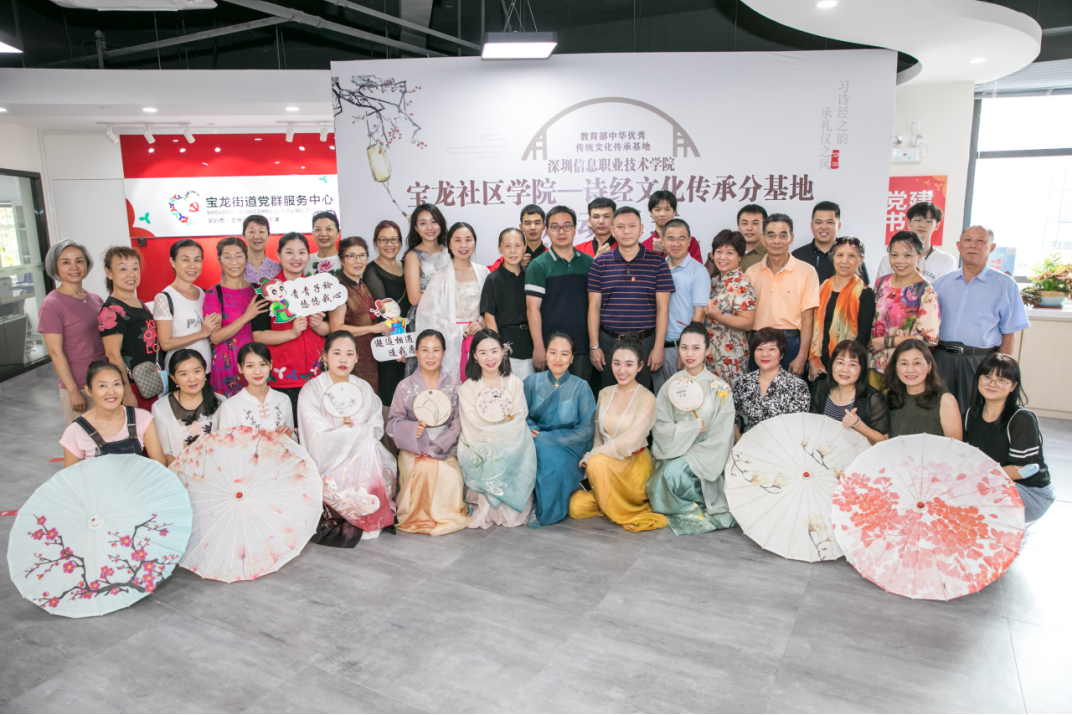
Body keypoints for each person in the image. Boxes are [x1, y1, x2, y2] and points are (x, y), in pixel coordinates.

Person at [298, 331, 397, 537]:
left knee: (385, 464)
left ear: (357, 358)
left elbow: (376, 425)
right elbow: (315, 433)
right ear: (324, 356)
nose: (343, 359)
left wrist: (357, 432)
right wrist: (345, 433)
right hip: (329, 458)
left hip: (363, 453)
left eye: (349, 354)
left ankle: (370, 510)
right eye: (337, 353)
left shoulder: (363, 388)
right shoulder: (312, 389)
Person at [568, 336, 667, 532]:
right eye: (617, 363)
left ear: (640, 366)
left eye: (629, 365)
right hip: (605, 465)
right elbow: (598, 439)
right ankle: (607, 501)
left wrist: (593, 456)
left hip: (634, 466)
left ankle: (618, 506)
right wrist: (591, 471)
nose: (622, 370)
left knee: (597, 462)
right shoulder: (604, 393)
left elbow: (631, 441)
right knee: (576, 507)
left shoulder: (646, 397)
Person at [647, 322, 736, 535]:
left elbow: (722, 437)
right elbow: (661, 426)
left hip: (706, 457)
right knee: (656, 484)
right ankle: (688, 504)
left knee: (671, 475)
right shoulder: (671, 385)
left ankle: (699, 500)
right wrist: (691, 429)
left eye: (696, 348)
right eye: (684, 347)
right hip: (674, 451)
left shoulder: (720, 388)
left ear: (707, 350)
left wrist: (692, 450)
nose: (689, 353)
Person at [932, 225, 1030, 411]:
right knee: (938, 411)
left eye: (980, 241)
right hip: (941, 359)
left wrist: (1001, 371)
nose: (973, 245)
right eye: (968, 240)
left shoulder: (1005, 285)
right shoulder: (941, 283)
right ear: (959, 245)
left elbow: (1009, 334)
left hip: (980, 361)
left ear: (991, 247)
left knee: (975, 412)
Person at [386, 329, 471, 535]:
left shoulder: (454, 384)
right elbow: (393, 422)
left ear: (444, 352)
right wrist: (412, 430)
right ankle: (416, 517)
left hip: (446, 445)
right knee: (422, 467)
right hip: (414, 445)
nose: (430, 356)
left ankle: (445, 515)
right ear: (416, 352)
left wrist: (441, 442)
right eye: (424, 350)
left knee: (448, 473)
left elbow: (459, 420)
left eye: (436, 350)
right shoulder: (404, 386)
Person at [588, 206, 675, 390]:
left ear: (641, 229)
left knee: (641, 397)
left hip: (645, 343)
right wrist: (594, 346)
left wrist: (658, 348)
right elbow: (593, 307)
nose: (626, 231)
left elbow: (663, 308)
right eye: (620, 227)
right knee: (609, 395)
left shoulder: (658, 263)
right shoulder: (599, 263)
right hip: (609, 342)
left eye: (632, 226)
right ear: (612, 230)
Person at [458, 329, 537, 528]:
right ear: (474, 356)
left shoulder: (514, 383)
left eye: (494, 351)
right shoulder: (467, 388)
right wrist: (496, 434)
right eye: (483, 352)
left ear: (503, 351)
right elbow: (471, 423)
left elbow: (519, 416)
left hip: (511, 440)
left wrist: (505, 435)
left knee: (514, 448)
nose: (490, 358)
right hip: (480, 440)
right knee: (488, 453)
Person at [963, 354, 1054, 526]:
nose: (992, 383)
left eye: (1001, 379)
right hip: (990, 482)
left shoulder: (1022, 419)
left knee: (970, 497)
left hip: (1031, 492)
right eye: (987, 377)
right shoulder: (970, 415)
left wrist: (978, 478)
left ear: (1013, 386)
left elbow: (1025, 469)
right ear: (978, 379)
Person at [250, 232, 329, 421]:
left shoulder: (317, 288)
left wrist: (318, 326)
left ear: (308, 255)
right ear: (279, 255)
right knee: (286, 429)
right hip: (283, 377)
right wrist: (292, 333)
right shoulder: (267, 292)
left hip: (316, 375)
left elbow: (329, 329)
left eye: (301, 252)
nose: (296, 258)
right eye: (289, 252)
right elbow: (259, 335)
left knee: (316, 427)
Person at [523, 332, 597, 527]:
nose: (558, 359)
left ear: (572, 358)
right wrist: (529, 427)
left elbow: (586, 431)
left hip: (570, 448)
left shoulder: (581, 387)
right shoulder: (531, 382)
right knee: (537, 450)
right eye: (552, 352)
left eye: (564, 354)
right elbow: (519, 414)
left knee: (548, 455)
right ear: (545, 354)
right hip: (535, 441)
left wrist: (547, 440)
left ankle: (547, 510)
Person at [39, 240, 107, 425]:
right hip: (80, 385)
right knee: (85, 439)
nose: (74, 267)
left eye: (79, 261)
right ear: (55, 266)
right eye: (66, 262)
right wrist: (73, 390)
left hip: (105, 381)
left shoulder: (96, 299)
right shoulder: (52, 304)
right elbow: (55, 352)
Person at [744, 214, 820, 375]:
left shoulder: (807, 271)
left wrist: (802, 356)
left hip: (791, 343)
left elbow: (808, 318)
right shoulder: (751, 272)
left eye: (783, 235)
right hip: (758, 342)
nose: (776, 241)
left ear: (791, 238)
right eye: (771, 235)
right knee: (758, 390)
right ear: (763, 238)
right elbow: (747, 316)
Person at [526, 205, 594, 381]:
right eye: (555, 227)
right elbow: (532, 309)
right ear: (547, 231)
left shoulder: (589, 263)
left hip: (582, 347)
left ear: (575, 229)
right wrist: (539, 346)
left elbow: (595, 306)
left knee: (581, 395)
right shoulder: (538, 265)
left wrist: (594, 346)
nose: (561, 231)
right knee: (550, 396)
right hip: (551, 349)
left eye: (567, 226)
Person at [415, 222, 489, 380]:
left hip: (479, 340)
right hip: (452, 341)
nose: (463, 245)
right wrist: (454, 329)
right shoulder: (441, 275)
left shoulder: (484, 272)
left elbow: (493, 308)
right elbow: (425, 313)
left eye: (468, 240)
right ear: (449, 244)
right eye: (457, 240)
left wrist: (483, 323)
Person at [869, 231, 941, 391]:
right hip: (875, 365)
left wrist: (885, 342)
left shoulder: (925, 291)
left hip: (906, 371)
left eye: (907, 255)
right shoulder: (882, 282)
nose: (900, 261)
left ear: (919, 255)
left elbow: (929, 338)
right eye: (894, 255)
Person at [60, 360, 165, 467]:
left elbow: (159, 466)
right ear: (89, 390)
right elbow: (71, 475)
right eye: (102, 386)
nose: (111, 392)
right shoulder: (76, 431)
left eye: (116, 384)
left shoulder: (142, 418)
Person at [98, 246, 161, 410]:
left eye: (135, 268)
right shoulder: (111, 311)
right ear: (109, 273)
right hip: (132, 385)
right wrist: (126, 392)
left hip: (147, 380)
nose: (131, 274)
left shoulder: (138, 303)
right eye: (123, 269)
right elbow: (113, 355)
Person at [204, 237, 267, 397]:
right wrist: (246, 316)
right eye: (227, 257)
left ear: (246, 258)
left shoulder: (257, 290)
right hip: (227, 363)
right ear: (220, 260)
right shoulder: (214, 293)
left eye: (239, 256)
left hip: (256, 362)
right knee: (229, 409)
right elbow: (215, 337)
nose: (233, 262)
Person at [653, 218, 709, 395]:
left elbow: (699, 315)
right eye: (670, 238)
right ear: (662, 241)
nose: (676, 243)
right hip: (656, 347)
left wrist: (686, 350)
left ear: (689, 241)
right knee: (660, 400)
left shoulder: (698, 271)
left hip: (680, 348)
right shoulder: (657, 267)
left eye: (681, 238)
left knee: (684, 399)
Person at [808, 236, 876, 381]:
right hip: (819, 364)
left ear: (860, 260)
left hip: (847, 367)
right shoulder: (821, 288)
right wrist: (812, 360)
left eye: (851, 256)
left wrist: (845, 364)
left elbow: (863, 335)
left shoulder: (865, 293)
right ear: (833, 258)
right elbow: (812, 326)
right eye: (840, 255)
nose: (845, 260)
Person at [328, 236, 390, 394]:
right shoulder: (339, 288)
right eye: (352, 256)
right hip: (350, 358)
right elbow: (336, 328)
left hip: (369, 356)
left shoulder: (361, 283)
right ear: (342, 260)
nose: (358, 261)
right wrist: (372, 328)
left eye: (362, 255)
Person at [154, 239, 219, 374]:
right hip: (181, 373)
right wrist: (202, 333)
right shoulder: (164, 298)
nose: (192, 265)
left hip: (206, 369)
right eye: (185, 260)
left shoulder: (205, 294)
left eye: (197, 260)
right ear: (173, 262)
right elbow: (166, 344)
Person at [151, 348, 225, 465]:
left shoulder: (221, 402)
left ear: (205, 371)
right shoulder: (160, 408)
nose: (192, 379)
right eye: (183, 374)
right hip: (180, 472)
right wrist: (186, 473)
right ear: (173, 378)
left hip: (217, 469)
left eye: (197, 371)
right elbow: (166, 452)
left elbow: (226, 443)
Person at [733, 327, 810, 437]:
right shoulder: (743, 382)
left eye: (772, 349)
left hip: (783, 445)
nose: (765, 354)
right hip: (750, 442)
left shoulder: (797, 386)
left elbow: (798, 426)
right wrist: (740, 441)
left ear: (782, 354)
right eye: (759, 349)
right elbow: (731, 415)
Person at [363, 220, 410, 401]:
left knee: (410, 394)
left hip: (410, 338)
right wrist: (397, 347)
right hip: (388, 340)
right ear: (375, 243)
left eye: (394, 239)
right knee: (390, 395)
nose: (389, 244)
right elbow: (384, 315)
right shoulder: (371, 271)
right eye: (383, 240)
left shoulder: (406, 265)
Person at [403, 203, 452, 375]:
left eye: (434, 221)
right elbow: (414, 298)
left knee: (450, 364)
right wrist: (447, 299)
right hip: (424, 319)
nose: (429, 227)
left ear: (441, 223)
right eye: (423, 223)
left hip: (450, 318)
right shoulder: (413, 256)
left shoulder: (451, 252)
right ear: (416, 228)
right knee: (426, 368)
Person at [809, 340, 889, 445]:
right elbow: (812, 426)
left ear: (862, 369)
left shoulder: (873, 398)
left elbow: (884, 441)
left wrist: (858, 424)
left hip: (857, 454)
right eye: (840, 362)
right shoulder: (820, 389)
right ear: (832, 364)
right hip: (823, 451)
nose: (845, 369)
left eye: (853, 364)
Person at [704, 229, 757, 387]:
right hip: (710, 352)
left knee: (727, 396)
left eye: (730, 253)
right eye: (719, 252)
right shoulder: (714, 281)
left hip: (730, 355)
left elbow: (748, 323)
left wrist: (719, 316)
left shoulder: (741, 284)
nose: (723, 257)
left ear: (740, 256)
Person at [481, 228, 534, 378]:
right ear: (500, 249)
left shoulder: (530, 275)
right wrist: (498, 348)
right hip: (506, 346)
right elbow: (489, 318)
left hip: (530, 344)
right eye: (507, 246)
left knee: (530, 389)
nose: (513, 251)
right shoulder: (493, 279)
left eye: (517, 246)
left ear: (524, 247)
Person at [885, 339, 962, 439]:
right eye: (904, 363)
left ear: (929, 366)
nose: (910, 370)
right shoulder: (890, 398)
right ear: (895, 368)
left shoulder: (945, 400)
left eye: (917, 363)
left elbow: (954, 446)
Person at [216, 342, 295, 437]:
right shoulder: (229, 406)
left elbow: (293, 442)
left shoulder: (283, 399)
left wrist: (288, 435)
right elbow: (225, 444)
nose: (257, 371)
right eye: (250, 366)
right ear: (240, 368)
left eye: (262, 364)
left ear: (270, 364)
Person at [791, 201, 870, 285]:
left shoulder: (851, 255)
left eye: (830, 222)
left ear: (838, 226)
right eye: (818, 222)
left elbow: (863, 288)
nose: (824, 227)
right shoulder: (797, 256)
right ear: (811, 225)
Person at [877, 202, 956, 284]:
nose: (922, 225)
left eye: (929, 221)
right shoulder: (889, 259)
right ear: (908, 222)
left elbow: (943, 289)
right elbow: (881, 288)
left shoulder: (945, 260)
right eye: (918, 220)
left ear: (937, 226)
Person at [640, 190, 702, 262]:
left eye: (667, 209)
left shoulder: (689, 242)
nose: (662, 214)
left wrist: (666, 250)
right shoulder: (643, 247)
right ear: (651, 213)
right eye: (657, 210)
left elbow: (696, 267)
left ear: (674, 212)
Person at [710, 204, 767, 277]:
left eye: (755, 223)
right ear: (738, 226)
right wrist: (711, 257)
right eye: (744, 223)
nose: (749, 228)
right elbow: (709, 279)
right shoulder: (724, 251)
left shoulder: (769, 255)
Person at [489, 204, 547, 271]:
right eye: (528, 223)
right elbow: (489, 272)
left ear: (544, 226)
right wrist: (515, 265)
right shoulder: (510, 258)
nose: (532, 227)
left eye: (537, 223)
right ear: (521, 227)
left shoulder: (551, 256)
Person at [242, 214, 282, 285]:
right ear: (244, 236)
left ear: (268, 236)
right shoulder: (235, 267)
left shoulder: (278, 268)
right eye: (251, 232)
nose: (257, 236)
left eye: (261, 232)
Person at [306, 210, 342, 276]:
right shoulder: (306, 260)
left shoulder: (345, 260)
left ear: (338, 233)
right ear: (313, 233)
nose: (323, 234)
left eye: (328, 229)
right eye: (318, 229)